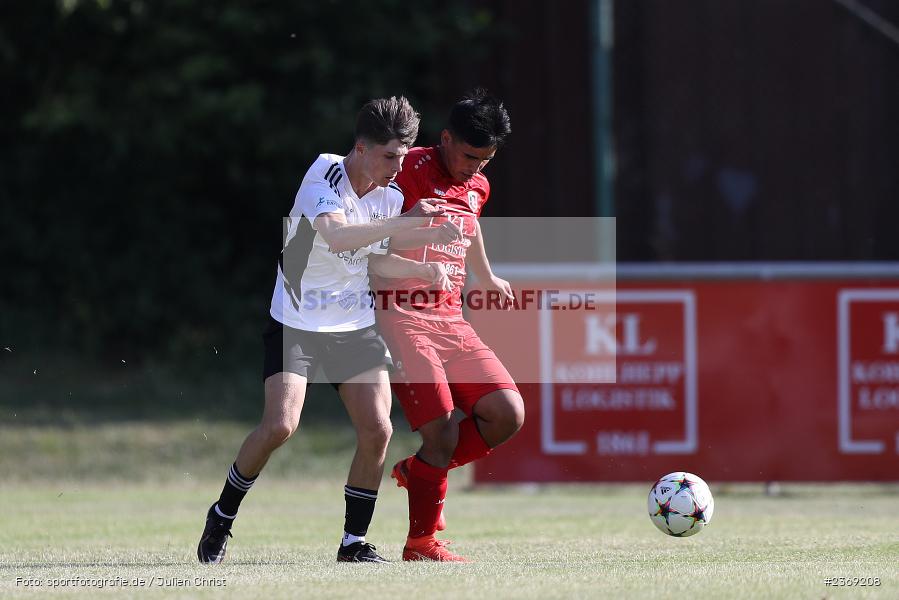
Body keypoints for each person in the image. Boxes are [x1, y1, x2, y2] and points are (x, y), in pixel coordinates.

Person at [197, 96, 457, 564]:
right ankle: (222, 514)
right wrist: (407, 226)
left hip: (352, 324)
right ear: (360, 148)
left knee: (378, 429)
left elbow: (372, 259)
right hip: (296, 319)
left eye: (403, 156)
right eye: (389, 156)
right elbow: (337, 235)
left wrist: (426, 262)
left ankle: (353, 543)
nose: (398, 167)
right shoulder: (325, 174)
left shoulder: (390, 197)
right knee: (280, 425)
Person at [373, 89, 525, 562]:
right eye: (468, 155)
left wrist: (484, 273)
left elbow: (471, 223)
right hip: (402, 317)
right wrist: (416, 256)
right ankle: (420, 545)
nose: (474, 168)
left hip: (451, 318)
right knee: (439, 430)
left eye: (485, 160)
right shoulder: (405, 170)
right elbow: (368, 244)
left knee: (507, 413)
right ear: (444, 139)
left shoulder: (477, 184)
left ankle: (420, 473)